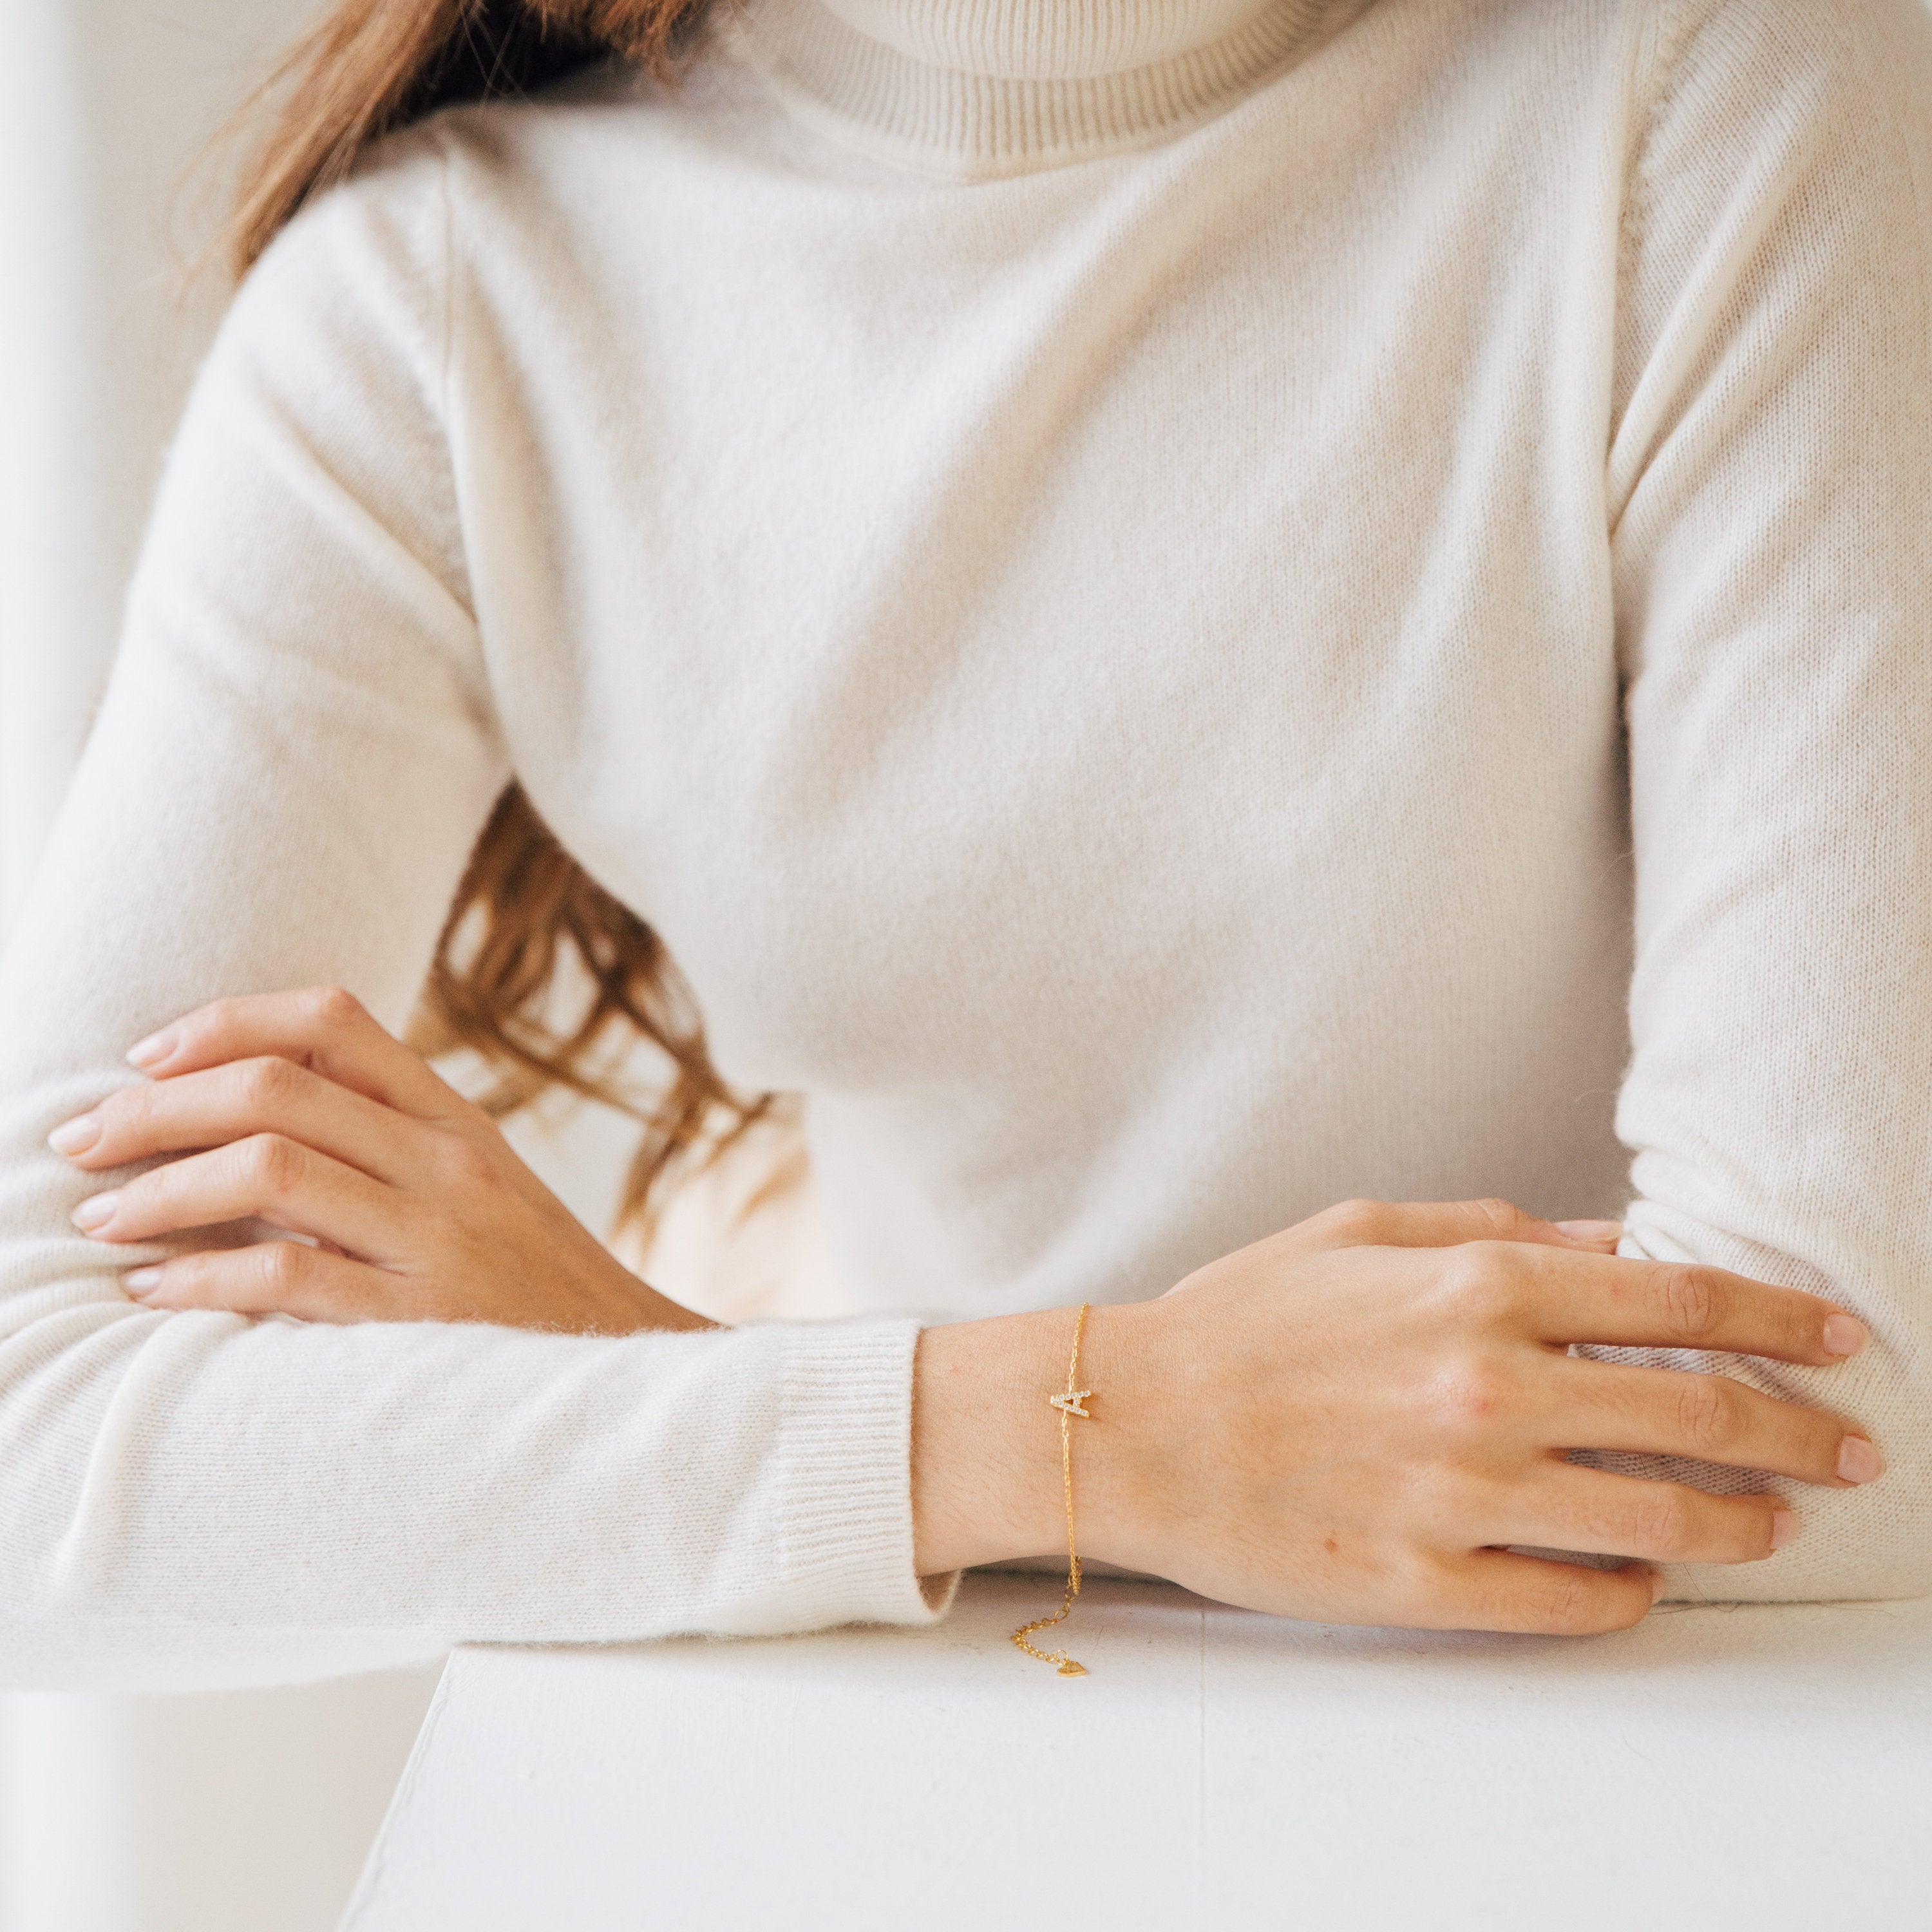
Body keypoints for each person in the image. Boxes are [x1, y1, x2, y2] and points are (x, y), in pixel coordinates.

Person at [1, 0, 1926, 1692]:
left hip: (1657, 1781)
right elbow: (35, 1450)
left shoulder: (1705, 96)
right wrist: (1076, 1440)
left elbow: (1840, 1413)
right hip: (940, 1780)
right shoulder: (434, 311)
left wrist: (671, 1370)